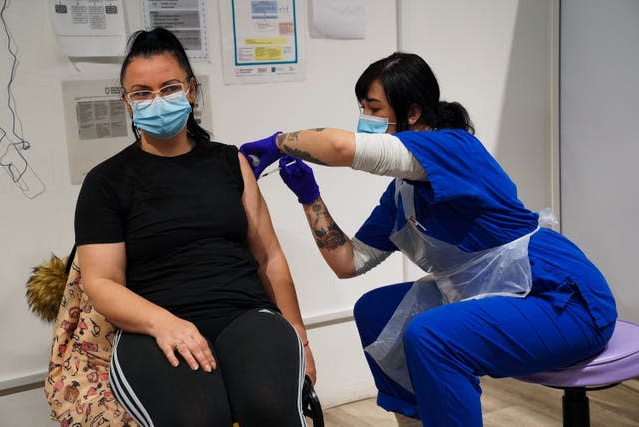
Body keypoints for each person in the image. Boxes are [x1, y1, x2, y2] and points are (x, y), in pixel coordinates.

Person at [239, 52, 617, 426]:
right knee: (376, 311)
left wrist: (278, 142)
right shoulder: (401, 195)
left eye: (374, 109)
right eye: (362, 108)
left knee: (431, 335)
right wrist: (309, 197)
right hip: (497, 292)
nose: (365, 120)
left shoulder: (455, 148)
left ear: (414, 112)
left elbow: (341, 148)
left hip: (561, 299)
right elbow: (347, 261)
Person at [73, 27, 315, 427]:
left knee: (271, 409)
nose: (157, 101)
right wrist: (163, 323)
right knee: (198, 419)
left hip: (246, 314)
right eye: (142, 93)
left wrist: (300, 336)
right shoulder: (106, 182)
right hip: (155, 326)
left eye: (168, 88)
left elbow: (269, 258)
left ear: (190, 90)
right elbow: (101, 283)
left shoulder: (228, 162)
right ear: (126, 101)